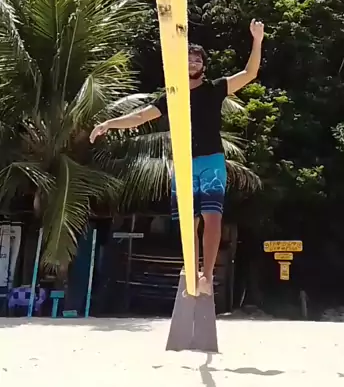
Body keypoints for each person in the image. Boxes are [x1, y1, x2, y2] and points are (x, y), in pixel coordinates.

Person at [90, 19, 264, 296]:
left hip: (211, 160)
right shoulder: (172, 96)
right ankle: (192, 274)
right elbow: (141, 116)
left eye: (198, 59)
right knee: (187, 222)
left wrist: (257, 39)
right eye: (189, 59)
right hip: (183, 164)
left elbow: (249, 73)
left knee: (212, 218)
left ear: (203, 66)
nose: (193, 63)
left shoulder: (215, 89)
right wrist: (109, 124)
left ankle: (207, 276)